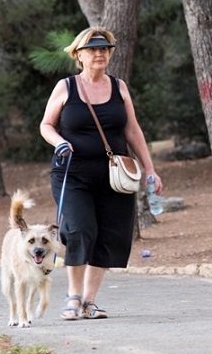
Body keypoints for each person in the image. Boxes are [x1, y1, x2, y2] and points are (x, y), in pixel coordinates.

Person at [40, 26, 162, 320]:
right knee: (81, 229)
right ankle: (72, 296)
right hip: (73, 172)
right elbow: (46, 125)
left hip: (114, 176)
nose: (99, 54)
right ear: (78, 55)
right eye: (93, 49)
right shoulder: (66, 87)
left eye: (105, 49)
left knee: (108, 234)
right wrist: (61, 143)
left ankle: (89, 301)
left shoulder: (119, 87)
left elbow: (132, 129)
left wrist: (150, 169)